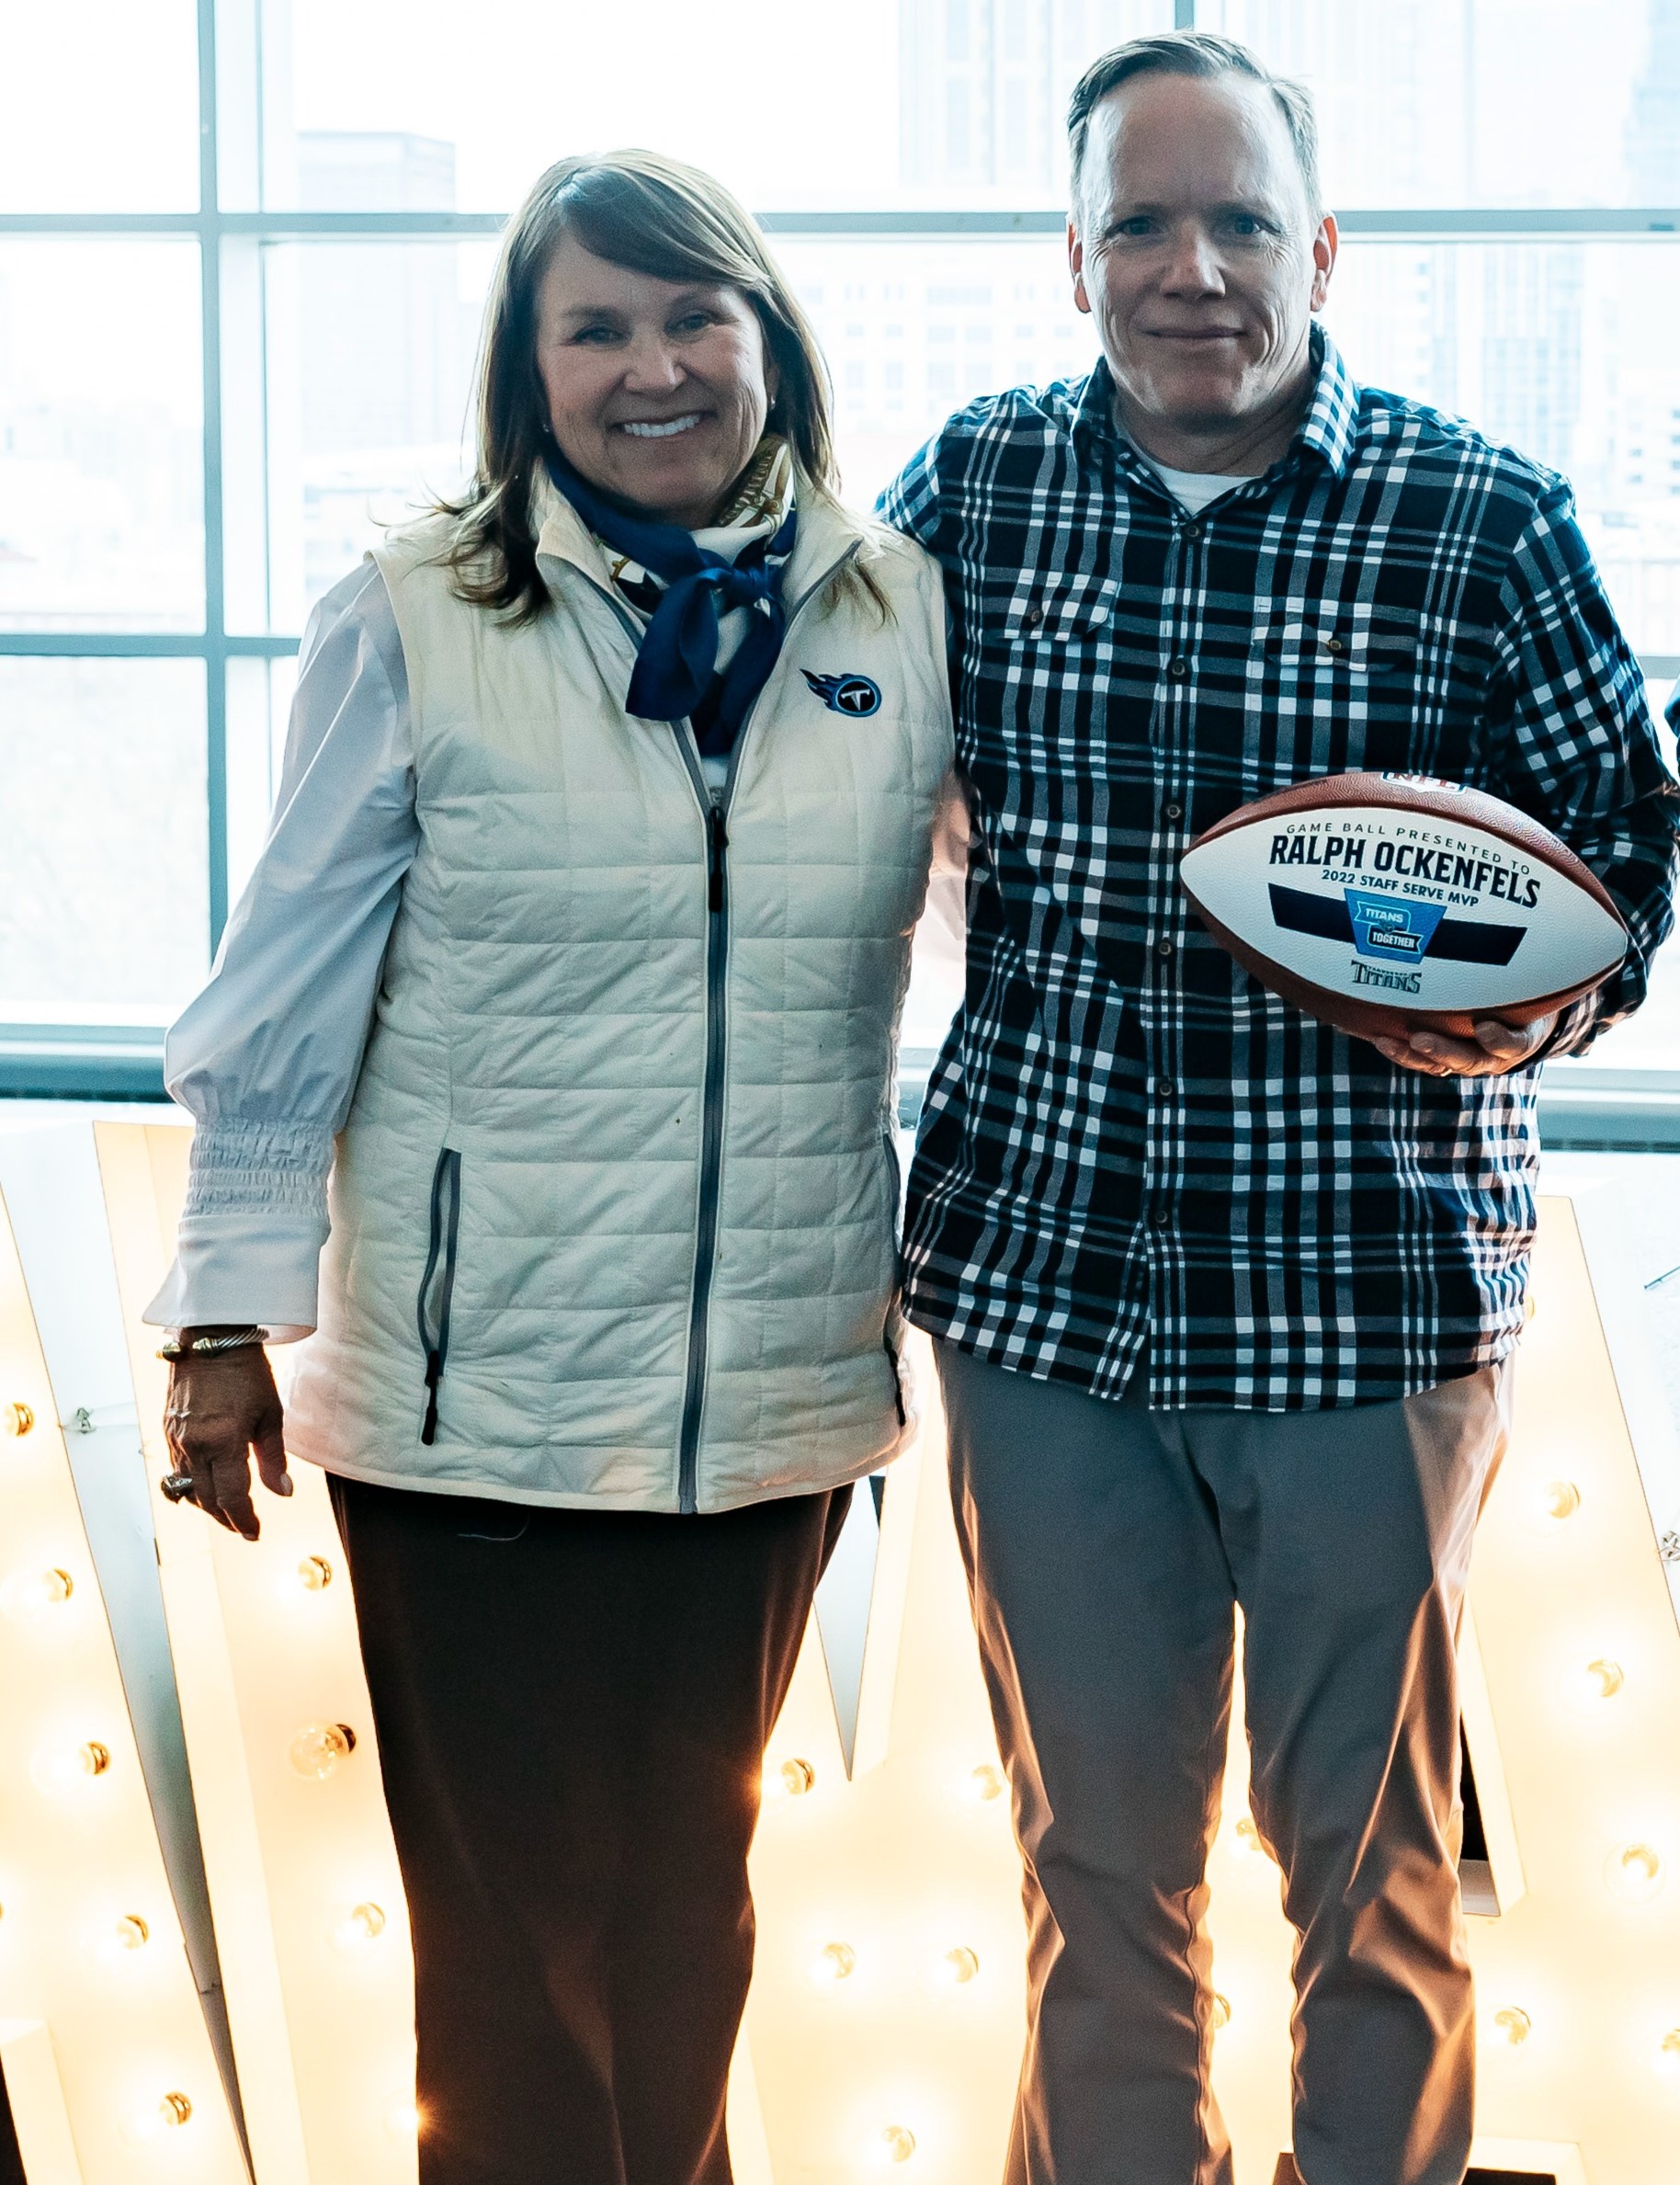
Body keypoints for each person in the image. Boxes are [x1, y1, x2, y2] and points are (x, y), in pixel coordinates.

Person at [880, 31, 1678, 2185]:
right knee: (1097, 1882)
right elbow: (828, 763)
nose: (1190, 266)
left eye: (1237, 217)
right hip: (1044, 1296)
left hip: (1362, 1301)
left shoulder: (1478, 514)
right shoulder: (973, 488)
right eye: (1137, 220)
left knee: (1369, 1878)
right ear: (1070, 263)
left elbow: (1624, 855)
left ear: (1316, 245)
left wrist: (1514, 1010)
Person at [146, 149, 956, 2185]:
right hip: (464, 1414)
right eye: (592, 327)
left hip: (767, 1410)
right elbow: (287, 979)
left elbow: (1012, 930)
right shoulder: (414, 613)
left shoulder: (895, 610)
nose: (652, 365)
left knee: (691, 1914)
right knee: (512, 1961)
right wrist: (224, 1318)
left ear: (769, 340)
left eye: (694, 316)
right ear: (528, 370)